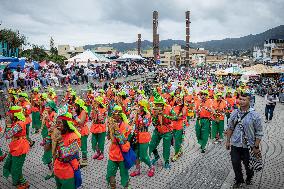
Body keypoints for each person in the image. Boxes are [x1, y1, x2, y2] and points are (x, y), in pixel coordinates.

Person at [226, 89, 263, 188]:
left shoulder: (255, 115)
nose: (241, 101)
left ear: (249, 101)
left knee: (248, 166)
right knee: (235, 163)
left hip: (249, 146)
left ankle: (249, 177)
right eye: (240, 99)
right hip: (235, 144)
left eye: (244, 100)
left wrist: (256, 146)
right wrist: (228, 141)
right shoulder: (234, 113)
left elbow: (259, 133)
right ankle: (239, 180)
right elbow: (230, 128)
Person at [3, 106, 30, 189]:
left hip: (20, 147)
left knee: (16, 166)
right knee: (12, 164)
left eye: (10, 113)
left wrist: (8, 124)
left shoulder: (19, 123)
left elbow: (8, 135)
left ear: (15, 114)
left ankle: (23, 183)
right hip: (15, 146)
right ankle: (21, 181)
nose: (9, 115)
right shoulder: (16, 122)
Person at [53, 112, 81, 189]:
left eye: (59, 123)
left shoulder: (74, 137)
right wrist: (49, 138)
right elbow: (47, 149)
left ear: (66, 124)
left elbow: (67, 156)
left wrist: (60, 141)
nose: (56, 125)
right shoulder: (59, 133)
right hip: (57, 169)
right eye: (56, 122)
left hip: (69, 171)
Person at [106, 105, 131, 189]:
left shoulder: (126, 126)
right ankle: (113, 186)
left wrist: (116, 130)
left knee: (124, 174)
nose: (114, 115)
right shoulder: (111, 124)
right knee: (110, 173)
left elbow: (123, 140)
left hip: (123, 153)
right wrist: (109, 129)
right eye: (113, 113)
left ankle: (126, 186)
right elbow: (108, 137)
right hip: (113, 152)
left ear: (120, 115)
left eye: (116, 113)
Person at [130, 99, 155, 177]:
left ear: (144, 107)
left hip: (144, 136)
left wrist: (138, 115)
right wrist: (133, 115)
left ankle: (151, 167)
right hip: (136, 135)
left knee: (143, 156)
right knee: (135, 154)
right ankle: (137, 169)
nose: (138, 107)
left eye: (140, 106)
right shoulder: (137, 113)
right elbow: (131, 121)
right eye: (138, 105)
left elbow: (145, 123)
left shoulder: (147, 114)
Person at [72, 99, 89, 167]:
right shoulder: (76, 111)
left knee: (83, 146)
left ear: (79, 106)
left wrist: (74, 116)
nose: (74, 106)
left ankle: (84, 161)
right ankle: (77, 160)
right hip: (76, 131)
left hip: (82, 131)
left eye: (76, 105)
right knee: (77, 145)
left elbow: (81, 122)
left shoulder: (83, 112)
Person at [90, 96, 107, 160]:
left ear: (99, 103)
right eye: (94, 101)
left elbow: (102, 119)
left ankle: (101, 153)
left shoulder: (103, 109)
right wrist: (92, 112)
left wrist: (98, 112)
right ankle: (98, 152)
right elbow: (91, 118)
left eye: (96, 102)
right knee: (93, 141)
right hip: (94, 126)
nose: (94, 103)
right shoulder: (93, 109)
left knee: (101, 141)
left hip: (101, 127)